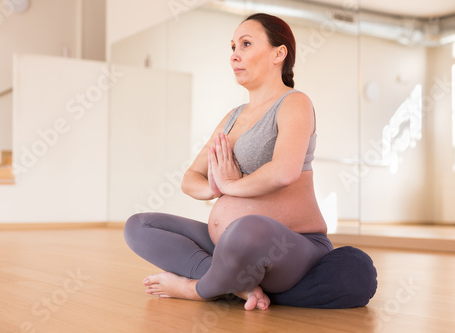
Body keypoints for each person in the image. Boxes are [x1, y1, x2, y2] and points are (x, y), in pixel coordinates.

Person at [124, 12, 333, 311]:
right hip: (228, 246)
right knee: (138, 225)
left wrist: (230, 185)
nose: (235, 55)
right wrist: (215, 189)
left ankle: (196, 289)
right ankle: (239, 287)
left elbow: (284, 172)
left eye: (246, 44)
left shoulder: (295, 103)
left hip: (288, 246)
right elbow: (191, 178)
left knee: (248, 229)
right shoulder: (233, 116)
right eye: (233, 47)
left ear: (279, 53)